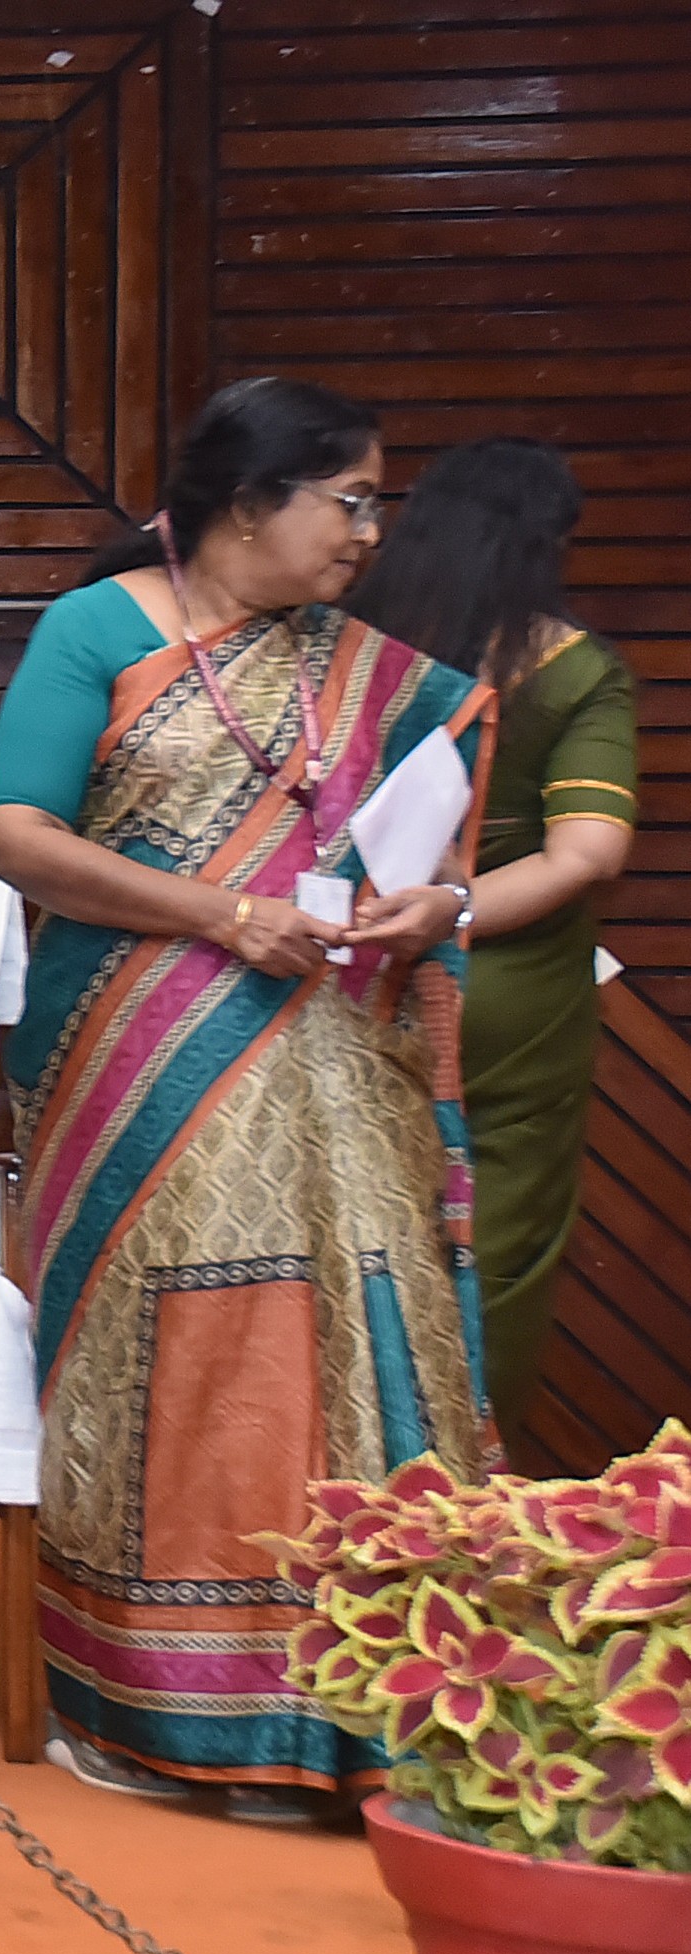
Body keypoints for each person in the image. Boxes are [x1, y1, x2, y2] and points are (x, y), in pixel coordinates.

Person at [0, 376, 492, 1822]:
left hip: (342, 1062)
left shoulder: (382, 678)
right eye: (349, 501)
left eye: (376, 504)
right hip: (135, 1058)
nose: (369, 533)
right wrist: (218, 913)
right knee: (183, 1354)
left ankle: (375, 1718)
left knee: (362, 1333)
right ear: (248, 504)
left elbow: (434, 860)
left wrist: (431, 905)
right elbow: (13, 834)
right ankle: (152, 1706)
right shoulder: (97, 631)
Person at [348, 438, 639, 1451]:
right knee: (497, 1246)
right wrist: (454, 909)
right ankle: (457, 1497)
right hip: (507, 999)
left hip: (341, 976)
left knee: (350, 1238)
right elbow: (587, 853)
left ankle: (334, 1490)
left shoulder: (345, 648)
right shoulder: (573, 670)